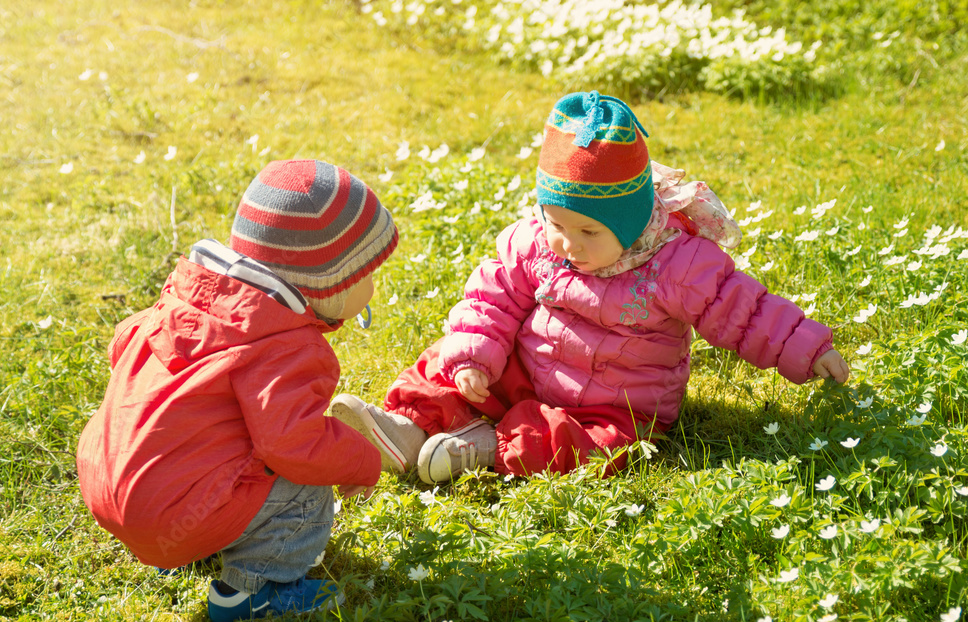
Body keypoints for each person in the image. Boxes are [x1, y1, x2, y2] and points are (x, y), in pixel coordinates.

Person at [331, 90, 850, 485]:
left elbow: (745, 311)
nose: (567, 243)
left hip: (616, 404)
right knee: (448, 359)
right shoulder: (539, 242)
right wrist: (475, 357)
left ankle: (484, 447)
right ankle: (405, 428)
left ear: (627, 223)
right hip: (532, 373)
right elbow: (490, 297)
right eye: (555, 221)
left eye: (588, 232)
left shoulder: (676, 263)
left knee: (593, 445)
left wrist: (807, 349)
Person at [76, 159, 400, 622]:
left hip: (107, 485)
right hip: (171, 515)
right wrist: (360, 459)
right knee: (305, 482)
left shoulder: (191, 298)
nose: (373, 286)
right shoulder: (285, 346)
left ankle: (196, 532)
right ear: (328, 284)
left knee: (230, 441)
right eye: (366, 275)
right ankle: (253, 589)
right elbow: (293, 444)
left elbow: (123, 343)